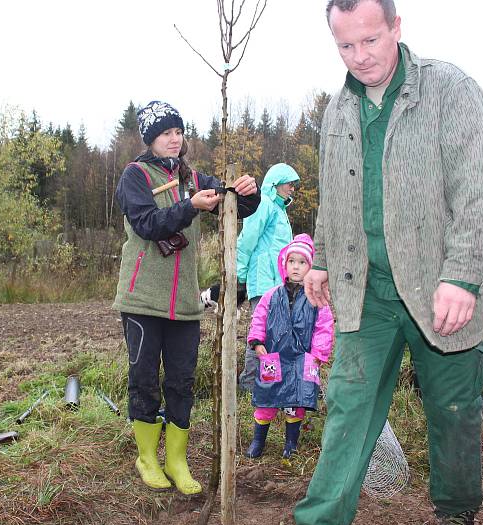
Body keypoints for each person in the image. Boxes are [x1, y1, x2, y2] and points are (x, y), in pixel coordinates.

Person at [294, 1, 483, 525]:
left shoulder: (450, 90)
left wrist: (462, 276)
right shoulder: (339, 111)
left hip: (442, 288)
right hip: (367, 290)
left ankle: (456, 516)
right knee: (348, 406)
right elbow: (334, 196)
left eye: (370, 41)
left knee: (452, 410)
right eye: (345, 46)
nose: (359, 57)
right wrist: (320, 258)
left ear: (396, 27)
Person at [112, 100, 260, 495]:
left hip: (186, 304)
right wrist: (187, 206)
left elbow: (237, 204)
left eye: (178, 132)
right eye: (165, 133)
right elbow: (147, 224)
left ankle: (177, 459)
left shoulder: (193, 176)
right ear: (150, 139)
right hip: (143, 299)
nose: (174, 139)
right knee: (145, 380)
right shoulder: (135, 176)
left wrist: (249, 191)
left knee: (181, 381)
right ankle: (147, 457)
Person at [243, 234, 334, 459]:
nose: (296, 267)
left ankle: (291, 443)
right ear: (284, 264)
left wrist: (318, 354)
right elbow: (258, 318)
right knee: (266, 400)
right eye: (292, 261)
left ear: (311, 267)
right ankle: (258, 441)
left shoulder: (316, 298)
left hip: (302, 359)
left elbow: (324, 327)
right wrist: (257, 342)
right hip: (273, 358)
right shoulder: (271, 295)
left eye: (302, 262)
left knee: (296, 402)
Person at [236, 162, 301, 391]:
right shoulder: (263, 204)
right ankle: (248, 385)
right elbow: (247, 240)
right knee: (260, 334)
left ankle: (268, 383)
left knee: (276, 334)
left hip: (278, 283)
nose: (292, 189)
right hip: (263, 281)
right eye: (289, 184)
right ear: (275, 184)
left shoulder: (279, 210)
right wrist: (240, 277)